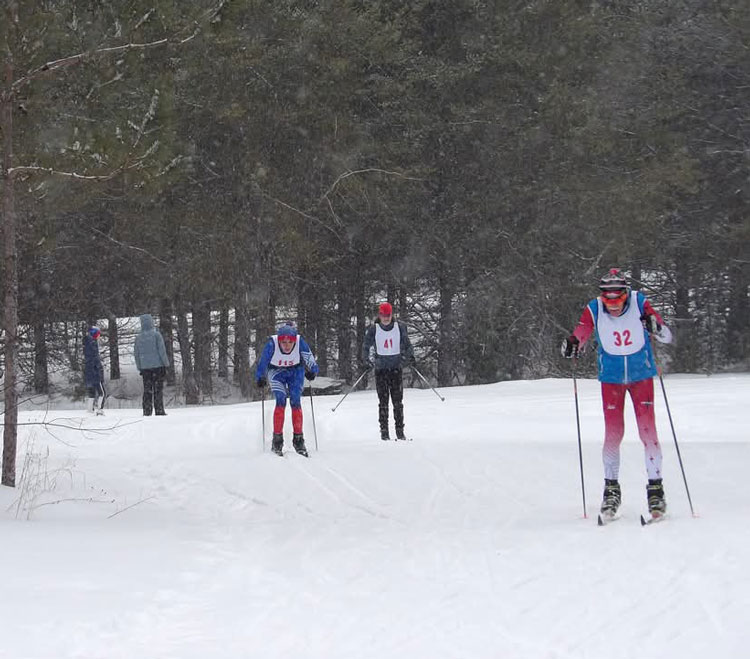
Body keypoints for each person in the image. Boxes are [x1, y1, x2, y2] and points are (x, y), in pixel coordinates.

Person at [562, 268, 673, 520]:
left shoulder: (639, 302)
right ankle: (611, 491)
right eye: (607, 300)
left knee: (648, 432)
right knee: (613, 434)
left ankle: (656, 491)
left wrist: (655, 326)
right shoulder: (594, 307)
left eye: (617, 299)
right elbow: (581, 332)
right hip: (611, 379)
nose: (612, 305)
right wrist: (571, 344)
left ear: (625, 294)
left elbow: (666, 336)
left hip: (641, 376)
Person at [255, 323, 319, 456]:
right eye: (283, 342)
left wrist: (313, 371)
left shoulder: (300, 342)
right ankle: (277, 440)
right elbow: (263, 362)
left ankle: (298, 439)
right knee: (281, 400)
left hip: (296, 371)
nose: (287, 345)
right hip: (276, 372)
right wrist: (260, 376)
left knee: (295, 401)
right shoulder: (272, 344)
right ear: (279, 340)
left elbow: (309, 357)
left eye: (290, 342)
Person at [361, 302, 416, 441]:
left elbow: (407, 344)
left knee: (398, 401)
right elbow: (366, 346)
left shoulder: (400, 327)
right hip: (381, 370)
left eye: (388, 315)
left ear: (392, 315)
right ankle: (384, 432)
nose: (386, 318)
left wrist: (410, 357)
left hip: (396, 369)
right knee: (383, 401)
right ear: (379, 315)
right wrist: (366, 360)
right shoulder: (374, 329)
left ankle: (400, 431)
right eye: (383, 315)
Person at [134, 313, 170, 416]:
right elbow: (162, 351)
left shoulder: (138, 338)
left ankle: (147, 411)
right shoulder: (156, 335)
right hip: (157, 367)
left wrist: (139, 366)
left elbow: (136, 354)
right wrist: (165, 364)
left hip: (145, 368)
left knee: (147, 390)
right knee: (158, 389)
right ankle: (159, 410)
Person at [84, 326, 106, 414]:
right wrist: (98, 369)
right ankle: (99, 409)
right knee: (102, 393)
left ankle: (89, 410)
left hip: (89, 373)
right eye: (97, 334)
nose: (99, 336)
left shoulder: (88, 344)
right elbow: (95, 360)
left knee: (91, 393)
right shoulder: (93, 345)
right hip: (95, 373)